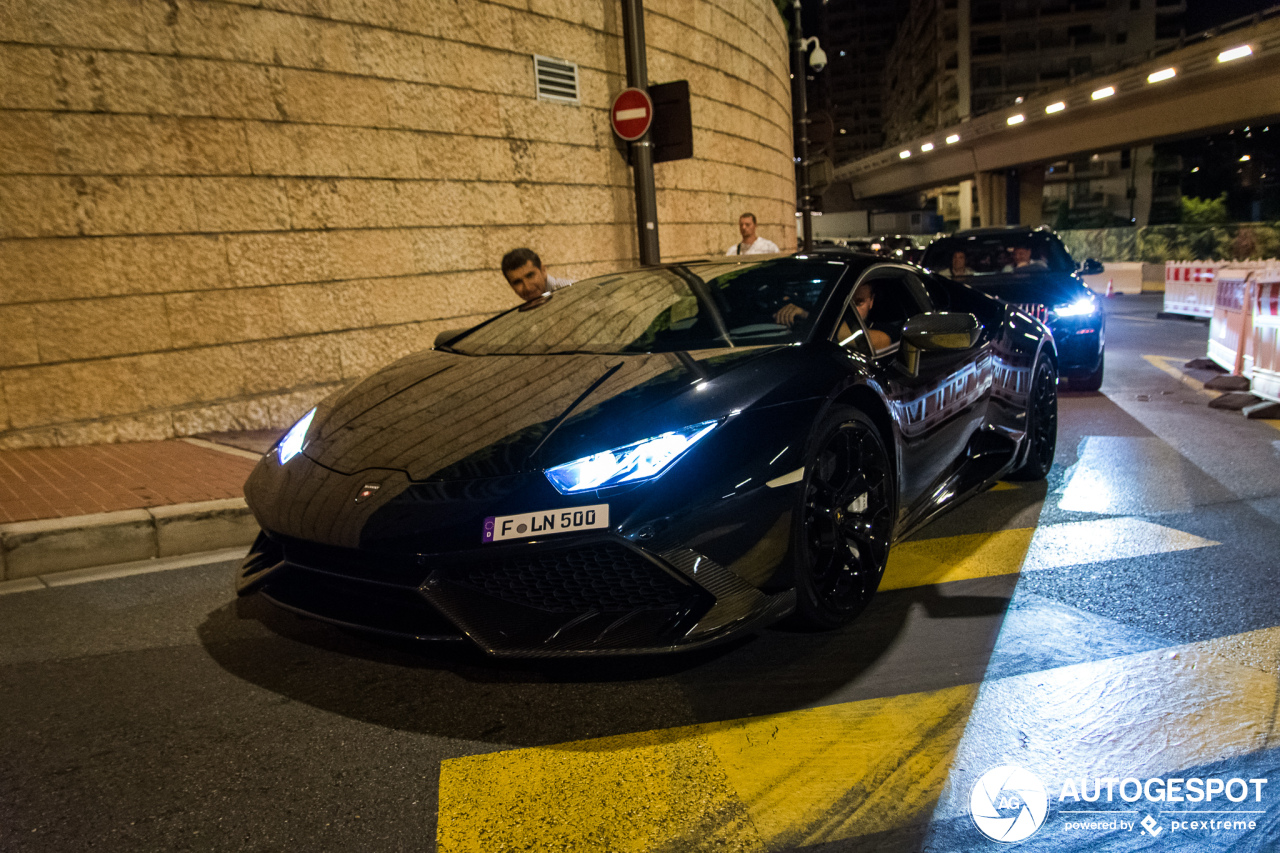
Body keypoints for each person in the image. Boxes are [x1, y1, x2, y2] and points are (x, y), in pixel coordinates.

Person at [774, 281, 892, 352]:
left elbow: (875, 342)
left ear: (871, 301)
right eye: (846, 302)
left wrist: (809, 317)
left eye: (859, 302)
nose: (851, 309)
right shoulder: (811, 329)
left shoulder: (883, 329)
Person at [501, 248, 574, 304]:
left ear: (543, 270)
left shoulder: (572, 291)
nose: (528, 288)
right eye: (517, 282)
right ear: (511, 286)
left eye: (530, 276)